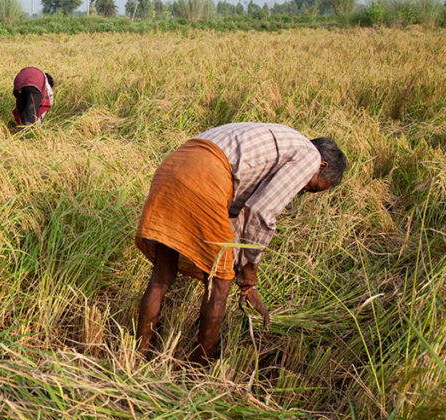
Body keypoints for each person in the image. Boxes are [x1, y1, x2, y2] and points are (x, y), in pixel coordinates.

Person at [134, 123, 347, 364]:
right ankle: (197, 369)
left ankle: (137, 357)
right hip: (207, 177)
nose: (304, 190)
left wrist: (242, 274)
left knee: (162, 276)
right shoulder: (310, 156)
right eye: (313, 187)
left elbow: (233, 219)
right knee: (219, 286)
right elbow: (261, 212)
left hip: (173, 167)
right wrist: (248, 276)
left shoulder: (278, 138)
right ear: (322, 166)